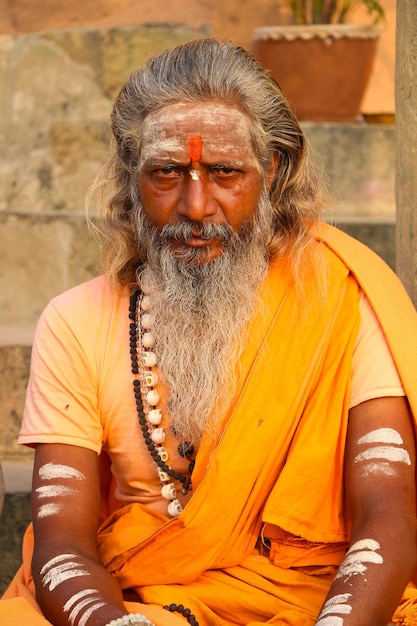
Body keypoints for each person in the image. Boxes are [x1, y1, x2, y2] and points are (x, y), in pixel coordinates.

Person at [1, 38, 417, 626]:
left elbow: (388, 514)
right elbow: (62, 542)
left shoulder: (340, 300)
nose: (196, 206)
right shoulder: (76, 322)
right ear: (132, 178)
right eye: (167, 172)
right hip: (149, 603)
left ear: (270, 172)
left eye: (225, 172)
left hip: (319, 605)